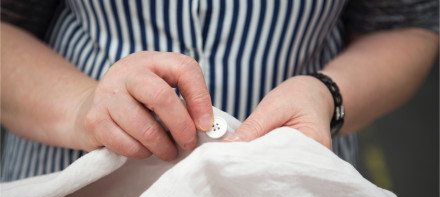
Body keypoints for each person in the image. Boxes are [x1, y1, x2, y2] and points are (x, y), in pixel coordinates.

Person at [1, 0, 438, 182]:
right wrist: (82, 106)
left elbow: (405, 24)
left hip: (291, 196)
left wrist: (327, 95)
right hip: (71, 192)